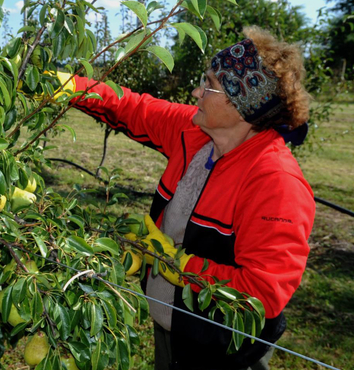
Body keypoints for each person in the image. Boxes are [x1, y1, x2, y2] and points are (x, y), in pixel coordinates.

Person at [60, 26, 314, 369]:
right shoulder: (196, 132)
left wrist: (177, 265)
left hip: (223, 351)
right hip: (173, 328)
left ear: (243, 105)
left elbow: (262, 294)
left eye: (209, 84)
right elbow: (132, 108)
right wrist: (70, 87)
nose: (196, 91)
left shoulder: (275, 183)